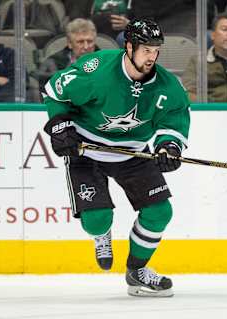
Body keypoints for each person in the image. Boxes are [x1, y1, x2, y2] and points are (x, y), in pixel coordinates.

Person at [42, 18, 190, 297]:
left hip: (133, 151)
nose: (152, 56)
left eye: (155, 50)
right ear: (129, 46)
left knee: (160, 212)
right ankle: (102, 235)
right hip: (86, 149)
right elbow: (55, 92)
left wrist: (169, 147)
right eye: (145, 49)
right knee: (97, 218)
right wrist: (60, 126)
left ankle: (137, 272)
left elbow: (174, 119)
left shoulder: (167, 86)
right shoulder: (97, 70)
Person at [36, 18, 97, 88]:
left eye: (90, 41)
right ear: (70, 44)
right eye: (80, 42)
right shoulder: (55, 63)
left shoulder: (106, 62)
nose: (86, 47)